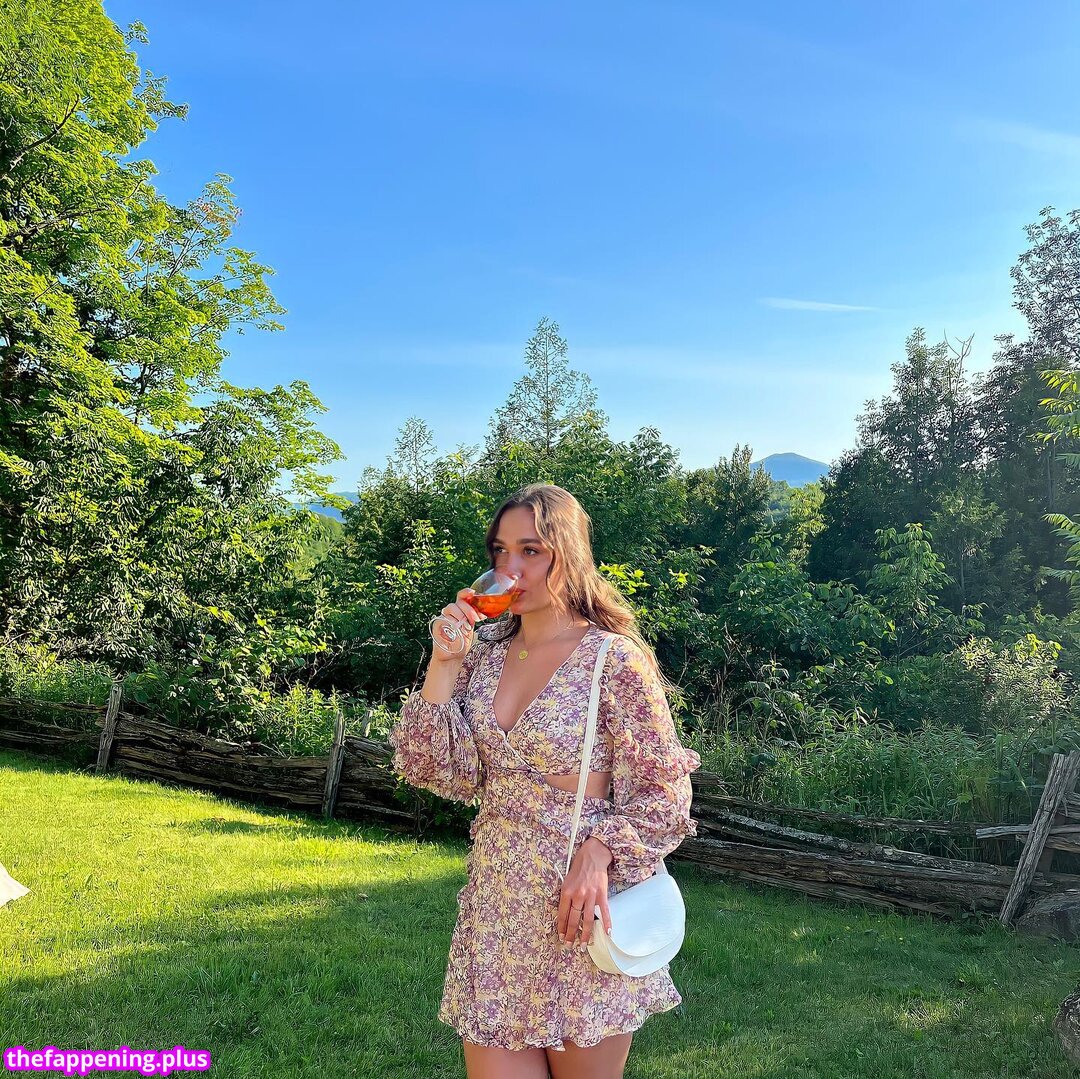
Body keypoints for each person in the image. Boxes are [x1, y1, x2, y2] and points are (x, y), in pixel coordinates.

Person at [389, 483, 701, 1079]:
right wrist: (444, 662)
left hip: (579, 911)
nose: (510, 569)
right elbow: (434, 767)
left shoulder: (613, 659)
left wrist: (598, 853)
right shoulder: (484, 654)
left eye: (530, 551)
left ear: (569, 555)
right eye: (500, 551)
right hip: (498, 907)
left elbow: (666, 790)